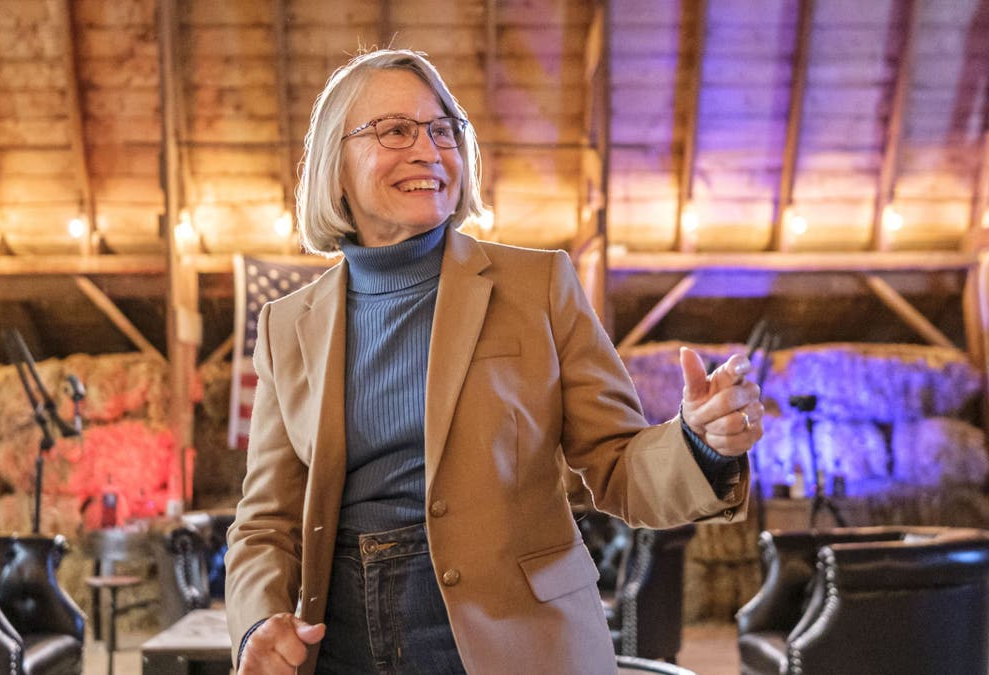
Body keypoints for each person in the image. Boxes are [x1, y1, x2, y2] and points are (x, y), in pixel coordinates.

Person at [224, 48, 763, 675]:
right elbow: (265, 521)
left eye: (444, 129)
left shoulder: (539, 285)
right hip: (341, 641)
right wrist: (258, 621)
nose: (428, 150)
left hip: (518, 640)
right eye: (395, 130)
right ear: (334, 163)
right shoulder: (286, 326)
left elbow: (619, 466)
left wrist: (701, 445)